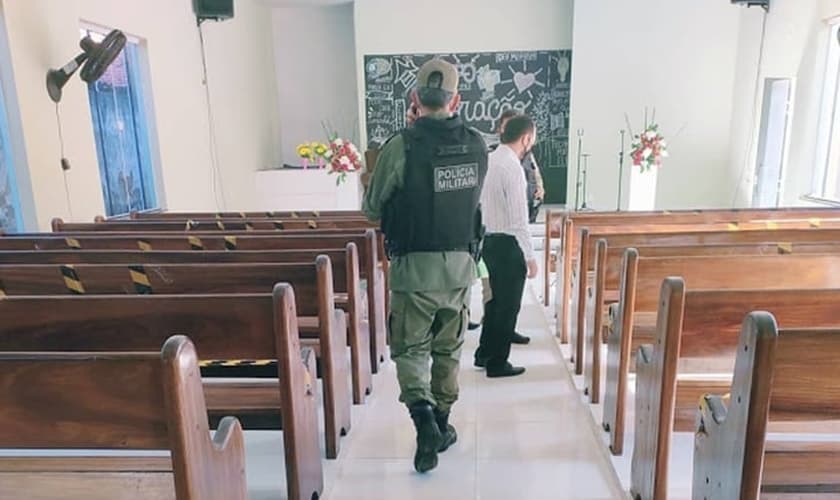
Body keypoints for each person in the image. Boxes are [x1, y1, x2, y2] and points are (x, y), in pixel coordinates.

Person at [363, 59, 487, 474]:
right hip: (460, 268)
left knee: (411, 349)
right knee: (448, 349)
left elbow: (371, 209)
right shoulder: (477, 143)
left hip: (413, 270)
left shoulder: (402, 145)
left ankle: (424, 425)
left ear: (414, 97)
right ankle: (444, 424)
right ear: (457, 100)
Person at [473, 115, 539, 378]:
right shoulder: (512, 167)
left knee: (494, 303)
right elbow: (518, 219)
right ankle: (497, 362)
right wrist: (531, 256)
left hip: (487, 240)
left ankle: (484, 353)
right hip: (507, 243)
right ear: (526, 138)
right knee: (507, 306)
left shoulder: (490, 159)